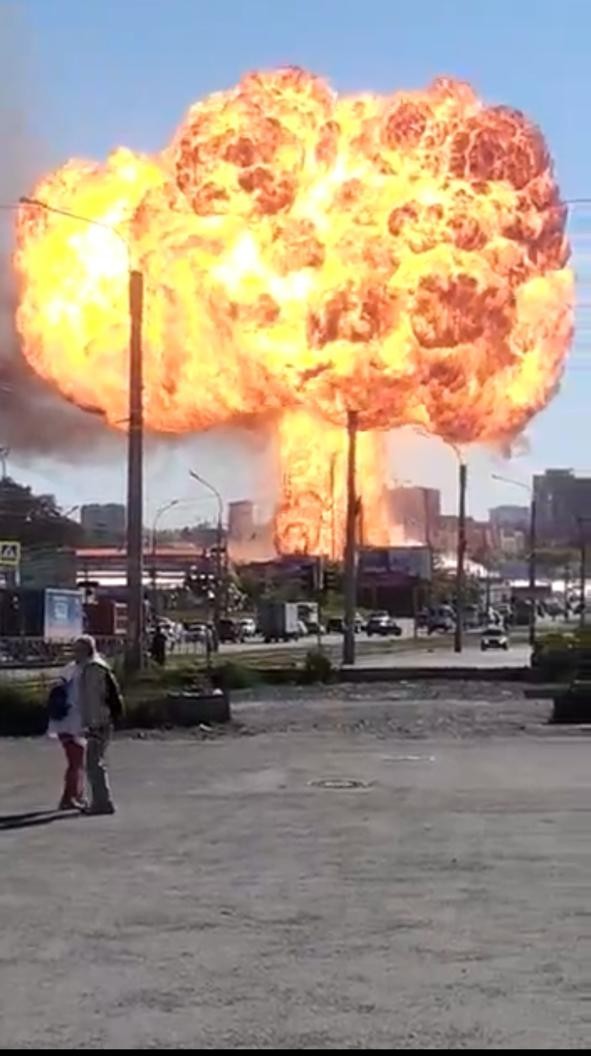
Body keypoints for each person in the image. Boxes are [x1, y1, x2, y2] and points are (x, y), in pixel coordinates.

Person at [74, 635, 119, 816]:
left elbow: (93, 699)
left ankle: (102, 803)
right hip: (102, 720)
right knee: (95, 762)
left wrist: (92, 725)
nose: (74, 654)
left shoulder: (92, 669)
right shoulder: (96, 666)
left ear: (86, 650)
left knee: (94, 764)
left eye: (77, 650)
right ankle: (101, 801)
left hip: (99, 722)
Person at [48, 661, 87, 811]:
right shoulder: (74, 671)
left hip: (69, 723)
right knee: (76, 760)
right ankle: (69, 797)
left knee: (78, 760)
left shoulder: (73, 670)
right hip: (67, 723)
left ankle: (75, 794)